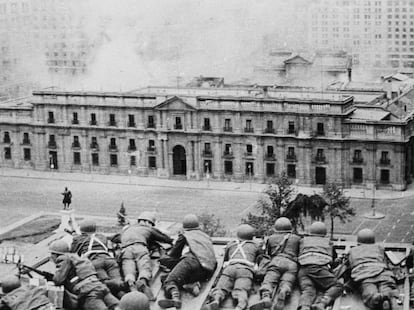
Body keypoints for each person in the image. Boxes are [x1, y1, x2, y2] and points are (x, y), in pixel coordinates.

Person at [158, 214, 217, 309]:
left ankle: (175, 298)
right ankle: (190, 285)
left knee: (169, 280)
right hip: (207, 270)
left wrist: (163, 258)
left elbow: (174, 254)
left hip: (191, 262)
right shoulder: (205, 236)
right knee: (166, 277)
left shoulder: (185, 234)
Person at [49, 239, 119, 310]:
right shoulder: (78, 258)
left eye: (52, 254)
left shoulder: (63, 258)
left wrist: (50, 277)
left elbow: (58, 280)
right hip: (100, 286)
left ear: (55, 254)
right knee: (119, 307)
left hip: (88, 292)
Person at [203, 224, 261, 310]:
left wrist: (218, 278)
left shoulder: (231, 245)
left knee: (221, 287)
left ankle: (216, 299)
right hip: (245, 270)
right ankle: (240, 304)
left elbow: (224, 261)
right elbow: (260, 260)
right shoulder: (255, 245)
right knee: (241, 289)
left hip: (230, 268)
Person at [250, 217, 301, 310]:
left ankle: (266, 296)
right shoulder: (297, 239)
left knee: (269, 279)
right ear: (290, 228)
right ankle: (284, 290)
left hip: (276, 261)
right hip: (291, 263)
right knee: (288, 280)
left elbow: (268, 254)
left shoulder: (271, 238)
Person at [120, 211, 173, 300]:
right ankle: (143, 280)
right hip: (140, 247)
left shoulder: (127, 229)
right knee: (144, 265)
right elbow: (166, 239)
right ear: (148, 222)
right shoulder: (149, 229)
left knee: (128, 266)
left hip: (126, 249)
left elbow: (115, 238)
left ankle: (130, 283)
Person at [71, 220, 125, 297]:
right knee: (119, 286)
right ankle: (123, 286)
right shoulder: (102, 237)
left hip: (95, 262)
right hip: (110, 261)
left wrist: (75, 237)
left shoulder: (78, 239)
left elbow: (73, 251)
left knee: (104, 284)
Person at [347, 228, 397, 310]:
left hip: (364, 274)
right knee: (386, 285)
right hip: (382, 272)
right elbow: (387, 263)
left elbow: (348, 268)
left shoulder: (352, 251)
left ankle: (375, 298)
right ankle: (386, 295)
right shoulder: (379, 248)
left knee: (369, 290)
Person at [297, 221, 343, 310]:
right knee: (338, 285)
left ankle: (304, 306)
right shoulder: (328, 243)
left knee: (308, 290)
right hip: (319, 269)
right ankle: (322, 303)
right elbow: (332, 262)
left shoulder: (303, 241)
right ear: (324, 233)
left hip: (303, 270)